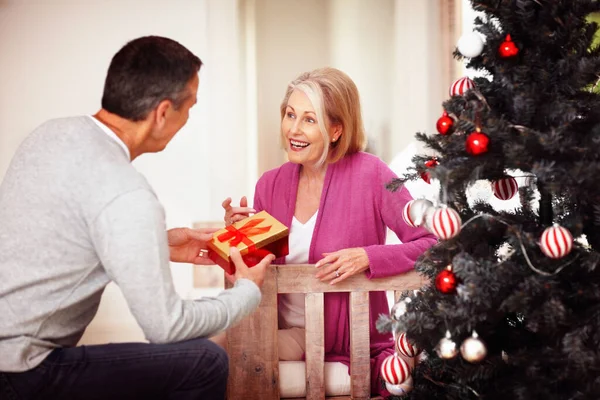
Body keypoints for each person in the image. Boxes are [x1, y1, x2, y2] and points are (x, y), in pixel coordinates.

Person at [0, 36, 274, 400]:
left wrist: (158, 243)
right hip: (22, 371)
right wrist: (246, 292)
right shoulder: (128, 194)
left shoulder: (50, 135)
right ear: (162, 113)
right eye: (189, 107)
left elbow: (67, 236)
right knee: (205, 360)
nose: (188, 117)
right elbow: (166, 326)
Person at [222, 67, 437, 396]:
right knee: (216, 350)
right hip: (287, 330)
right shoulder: (270, 184)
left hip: (353, 336)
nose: (294, 129)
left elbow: (431, 245)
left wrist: (368, 256)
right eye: (290, 114)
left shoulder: (371, 174)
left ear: (336, 129)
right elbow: (257, 267)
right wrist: (237, 236)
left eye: (309, 119)